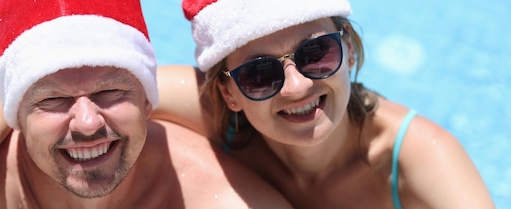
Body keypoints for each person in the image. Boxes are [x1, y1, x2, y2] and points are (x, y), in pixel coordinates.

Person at [0, 0, 293, 208]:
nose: (86, 122)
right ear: (15, 114)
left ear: (148, 100)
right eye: (53, 99)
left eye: (110, 93)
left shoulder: (216, 198)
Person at [166, 0, 495, 208]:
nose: (297, 87)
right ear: (229, 94)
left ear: (349, 50)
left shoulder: (419, 159)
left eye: (316, 54)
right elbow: (120, 94)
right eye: (260, 74)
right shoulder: (222, 118)